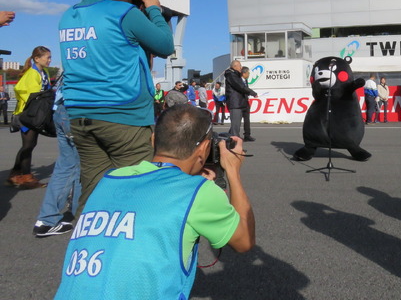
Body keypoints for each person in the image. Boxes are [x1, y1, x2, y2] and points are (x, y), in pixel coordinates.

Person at [53, 104, 255, 300]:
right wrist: (233, 171)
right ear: (204, 148)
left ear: (153, 140)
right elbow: (244, 242)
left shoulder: (110, 179)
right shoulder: (198, 192)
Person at [59, 0, 174, 212]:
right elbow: (165, 45)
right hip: (123, 114)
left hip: (80, 114)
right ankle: (130, 244)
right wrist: (155, 10)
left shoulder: (68, 15)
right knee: (136, 189)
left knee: (93, 188)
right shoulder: (123, 12)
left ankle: (89, 239)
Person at [33, 80, 81, 237]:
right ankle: (52, 219)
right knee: (83, 166)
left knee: (67, 166)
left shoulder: (73, 59)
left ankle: (47, 219)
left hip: (61, 108)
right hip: (79, 111)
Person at [6, 46, 52, 188]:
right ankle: (25, 176)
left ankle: (15, 174)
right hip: (27, 114)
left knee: (29, 144)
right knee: (28, 145)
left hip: (33, 114)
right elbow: (30, 94)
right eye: (48, 57)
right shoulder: (32, 74)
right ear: (37, 58)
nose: (50, 60)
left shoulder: (43, 72)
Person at [224, 61, 257, 140]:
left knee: (235, 126)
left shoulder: (235, 75)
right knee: (235, 127)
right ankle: (234, 145)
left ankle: (232, 142)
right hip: (235, 103)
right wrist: (252, 92)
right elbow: (240, 86)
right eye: (240, 66)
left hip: (239, 102)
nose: (241, 67)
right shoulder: (231, 75)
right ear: (235, 66)